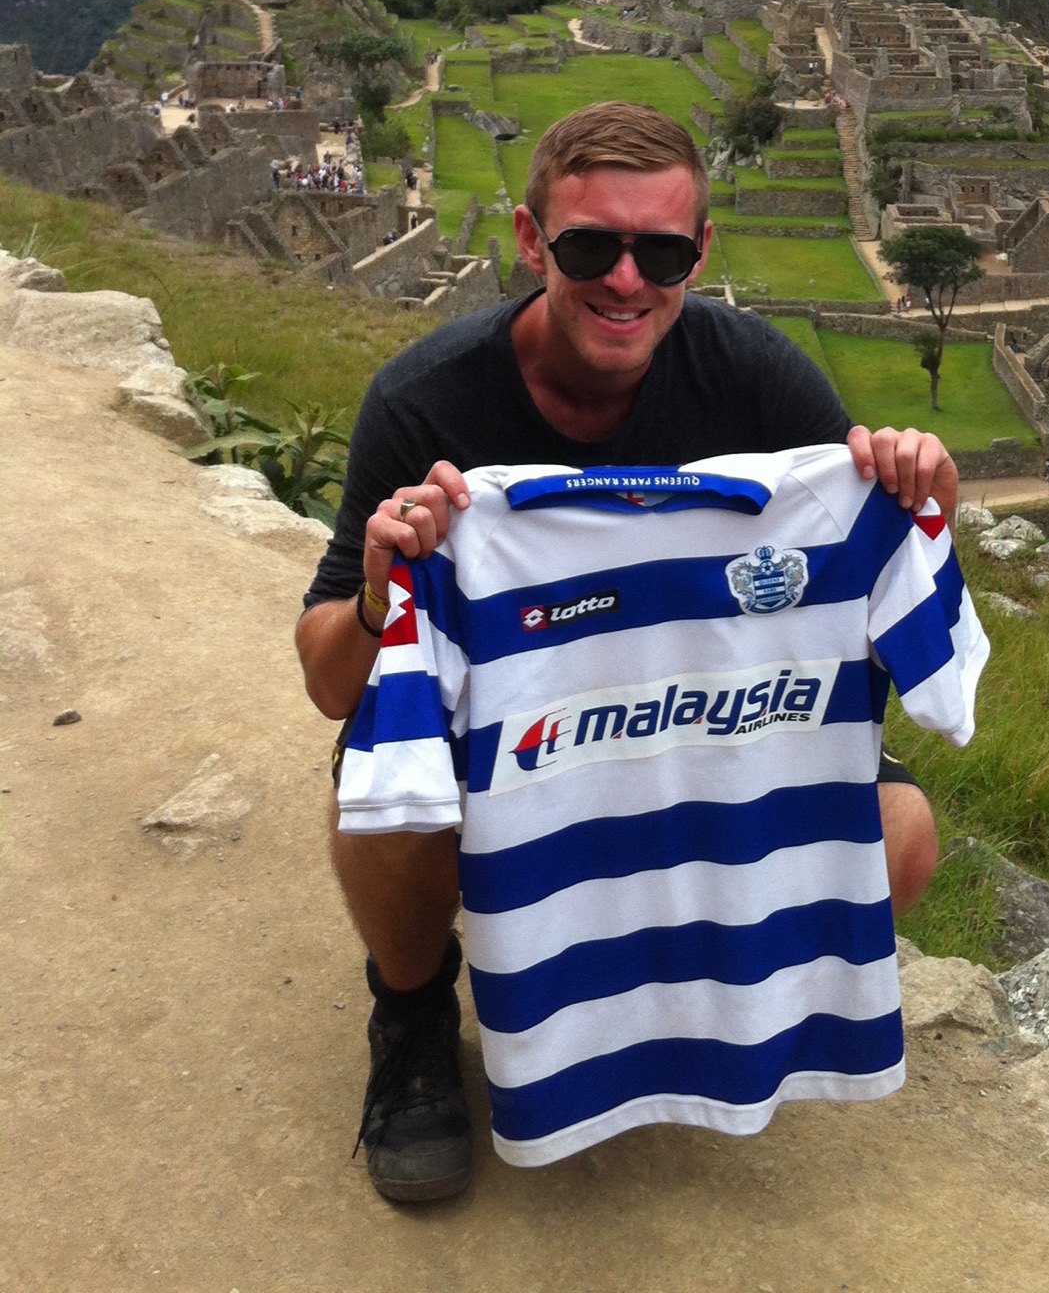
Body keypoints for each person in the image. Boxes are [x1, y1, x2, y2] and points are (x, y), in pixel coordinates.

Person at [295, 102, 956, 1203]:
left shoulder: (756, 382)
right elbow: (326, 684)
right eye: (590, 245)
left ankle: (694, 992)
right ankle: (410, 1008)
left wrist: (907, 490)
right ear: (528, 240)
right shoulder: (427, 403)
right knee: (386, 801)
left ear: (698, 252)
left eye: (658, 251)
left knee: (902, 837)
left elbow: (857, 586)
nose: (624, 280)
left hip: (711, 731)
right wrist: (378, 590)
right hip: (513, 745)